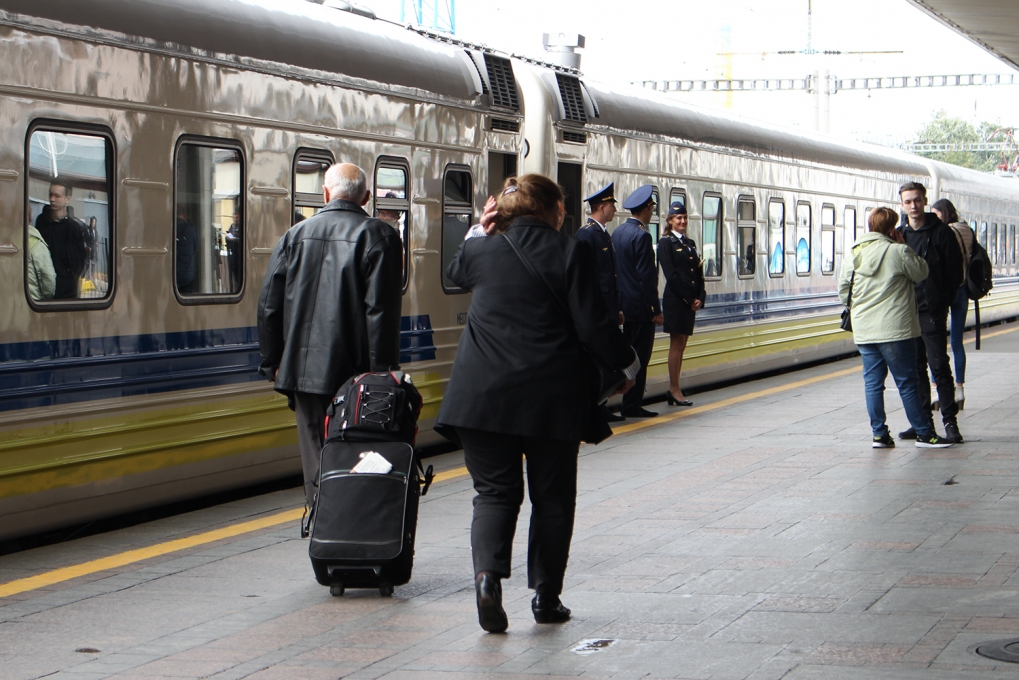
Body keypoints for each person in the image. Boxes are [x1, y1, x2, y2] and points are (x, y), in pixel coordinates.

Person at [435, 174, 639, 634]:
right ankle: (547, 598)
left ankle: (488, 581)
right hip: (551, 398)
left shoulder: (480, 248)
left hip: (481, 398)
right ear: (553, 210)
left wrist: (476, 229)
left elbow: (454, 272)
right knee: (552, 498)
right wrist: (628, 363)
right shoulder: (571, 251)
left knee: (494, 493)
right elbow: (592, 326)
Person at [257, 163, 403, 506]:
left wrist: (273, 362)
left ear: (325, 194)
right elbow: (380, 313)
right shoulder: (379, 236)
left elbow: (268, 307)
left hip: (303, 373)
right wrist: (383, 374)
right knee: (357, 455)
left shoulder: (294, 236)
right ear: (366, 197)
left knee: (315, 454)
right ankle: (352, 528)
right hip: (357, 375)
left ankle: (321, 525)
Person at [839, 207, 952, 449]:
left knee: (872, 383)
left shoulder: (853, 256)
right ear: (892, 229)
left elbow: (843, 294)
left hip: (865, 331)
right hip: (895, 331)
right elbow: (922, 271)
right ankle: (924, 434)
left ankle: (879, 435)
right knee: (907, 382)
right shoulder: (899, 251)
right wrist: (904, 246)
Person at [896, 182, 965, 444]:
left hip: (932, 311)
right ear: (902, 205)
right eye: (907, 202)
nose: (913, 206)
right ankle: (922, 422)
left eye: (917, 200)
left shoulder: (942, 233)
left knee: (939, 367)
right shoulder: (900, 234)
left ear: (925, 201)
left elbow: (954, 272)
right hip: (906, 312)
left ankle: (950, 422)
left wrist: (941, 301)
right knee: (915, 369)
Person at [575, 182, 625, 422]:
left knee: (605, 358)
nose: (615, 210)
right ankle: (594, 406)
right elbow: (588, 277)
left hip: (608, 309)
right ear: (603, 207)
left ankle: (601, 404)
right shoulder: (587, 234)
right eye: (612, 206)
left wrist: (618, 309)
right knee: (597, 360)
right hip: (599, 310)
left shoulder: (602, 234)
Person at [612, 184, 663, 418]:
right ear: (646, 209)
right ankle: (631, 404)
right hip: (641, 309)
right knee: (640, 357)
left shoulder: (617, 233)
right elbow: (646, 276)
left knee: (624, 355)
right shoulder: (642, 236)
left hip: (624, 306)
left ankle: (621, 399)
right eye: (652, 207)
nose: (652, 211)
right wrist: (655, 308)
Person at [658, 201, 705, 407]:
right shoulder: (666, 243)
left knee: (682, 344)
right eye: (678, 218)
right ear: (670, 220)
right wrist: (688, 299)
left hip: (688, 302)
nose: (683, 221)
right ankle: (674, 388)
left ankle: (675, 387)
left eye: (685, 218)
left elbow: (698, 274)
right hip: (676, 301)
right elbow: (672, 275)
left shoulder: (690, 244)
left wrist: (700, 297)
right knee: (676, 344)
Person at [930, 198, 972, 410]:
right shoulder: (967, 230)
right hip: (963, 290)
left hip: (947, 290)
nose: (933, 218)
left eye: (936, 214)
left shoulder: (945, 232)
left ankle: (937, 391)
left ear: (944, 214)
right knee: (957, 342)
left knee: (936, 341)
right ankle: (960, 390)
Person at [34, 180, 88, 299]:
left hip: (67, 291)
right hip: (43, 288)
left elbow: (80, 260)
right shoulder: (41, 222)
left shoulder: (74, 228)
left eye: (57, 195)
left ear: (67, 199)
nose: (52, 199)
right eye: (50, 194)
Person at [27, 213, 56, 301]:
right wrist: (46, 298)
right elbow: (49, 277)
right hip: (32, 301)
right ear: (31, 217)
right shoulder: (36, 244)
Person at [175, 206, 198, 294]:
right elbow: (195, 247)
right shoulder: (190, 229)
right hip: (188, 274)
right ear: (184, 215)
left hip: (173, 272)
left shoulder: (169, 227)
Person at [225, 211, 242, 292]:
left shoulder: (241, 228)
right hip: (232, 254)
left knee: (238, 274)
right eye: (234, 218)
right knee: (232, 273)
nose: (235, 219)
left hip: (239, 254)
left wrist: (234, 239)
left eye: (237, 218)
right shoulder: (230, 228)